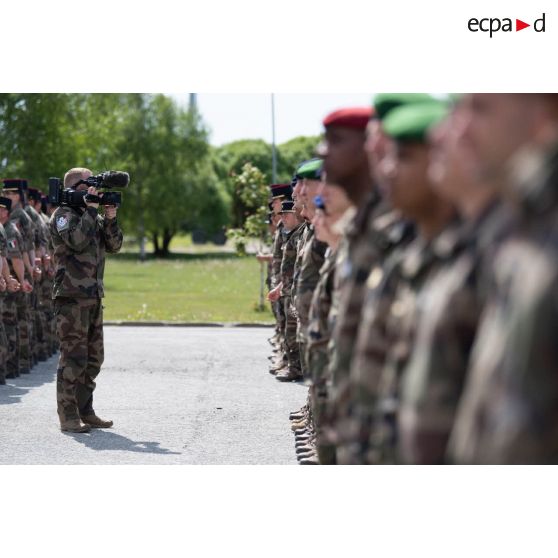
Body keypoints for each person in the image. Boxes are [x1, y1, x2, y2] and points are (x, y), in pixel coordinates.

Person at [49, 167, 123, 433]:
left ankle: (85, 410)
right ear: (75, 187)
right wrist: (92, 211)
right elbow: (78, 242)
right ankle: (68, 417)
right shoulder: (63, 216)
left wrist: (110, 218)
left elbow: (114, 246)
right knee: (73, 357)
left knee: (94, 358)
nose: (94, 189)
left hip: (93, 296)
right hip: (70, 297)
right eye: (88, 184)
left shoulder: (91, 215)